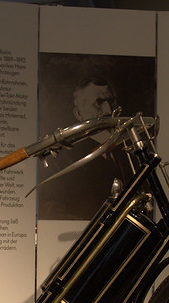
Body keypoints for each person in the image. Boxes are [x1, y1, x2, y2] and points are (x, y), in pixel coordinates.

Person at [38, 76, 130, 220]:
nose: (108, 110)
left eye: (111, 101)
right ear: (79, 114)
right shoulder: (63, 159)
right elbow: (52, 211)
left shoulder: (126, 153)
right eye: (98, 103)